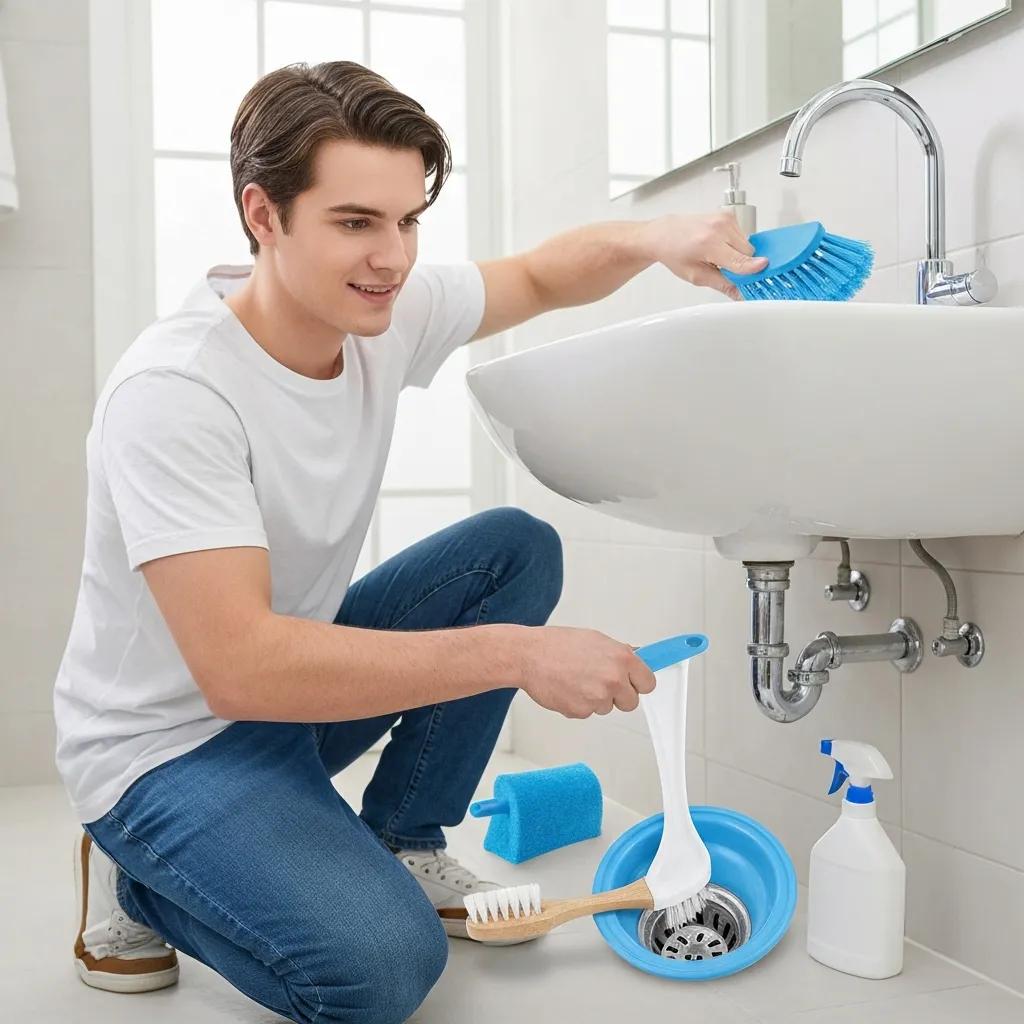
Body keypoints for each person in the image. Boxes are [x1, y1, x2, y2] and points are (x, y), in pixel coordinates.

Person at [54, 60, 768, 1023]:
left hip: (278, 710)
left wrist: (656, 238)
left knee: (512, 547)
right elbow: (239, 669)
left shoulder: (376, 311)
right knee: (384, 968)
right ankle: (139, 874)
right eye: (356, 222)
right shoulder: (176, 395)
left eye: (407, 220)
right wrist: (516, 655)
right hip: (169, 750)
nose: (391, 256)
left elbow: (539, 276)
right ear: (263, 215)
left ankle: (402, 838)